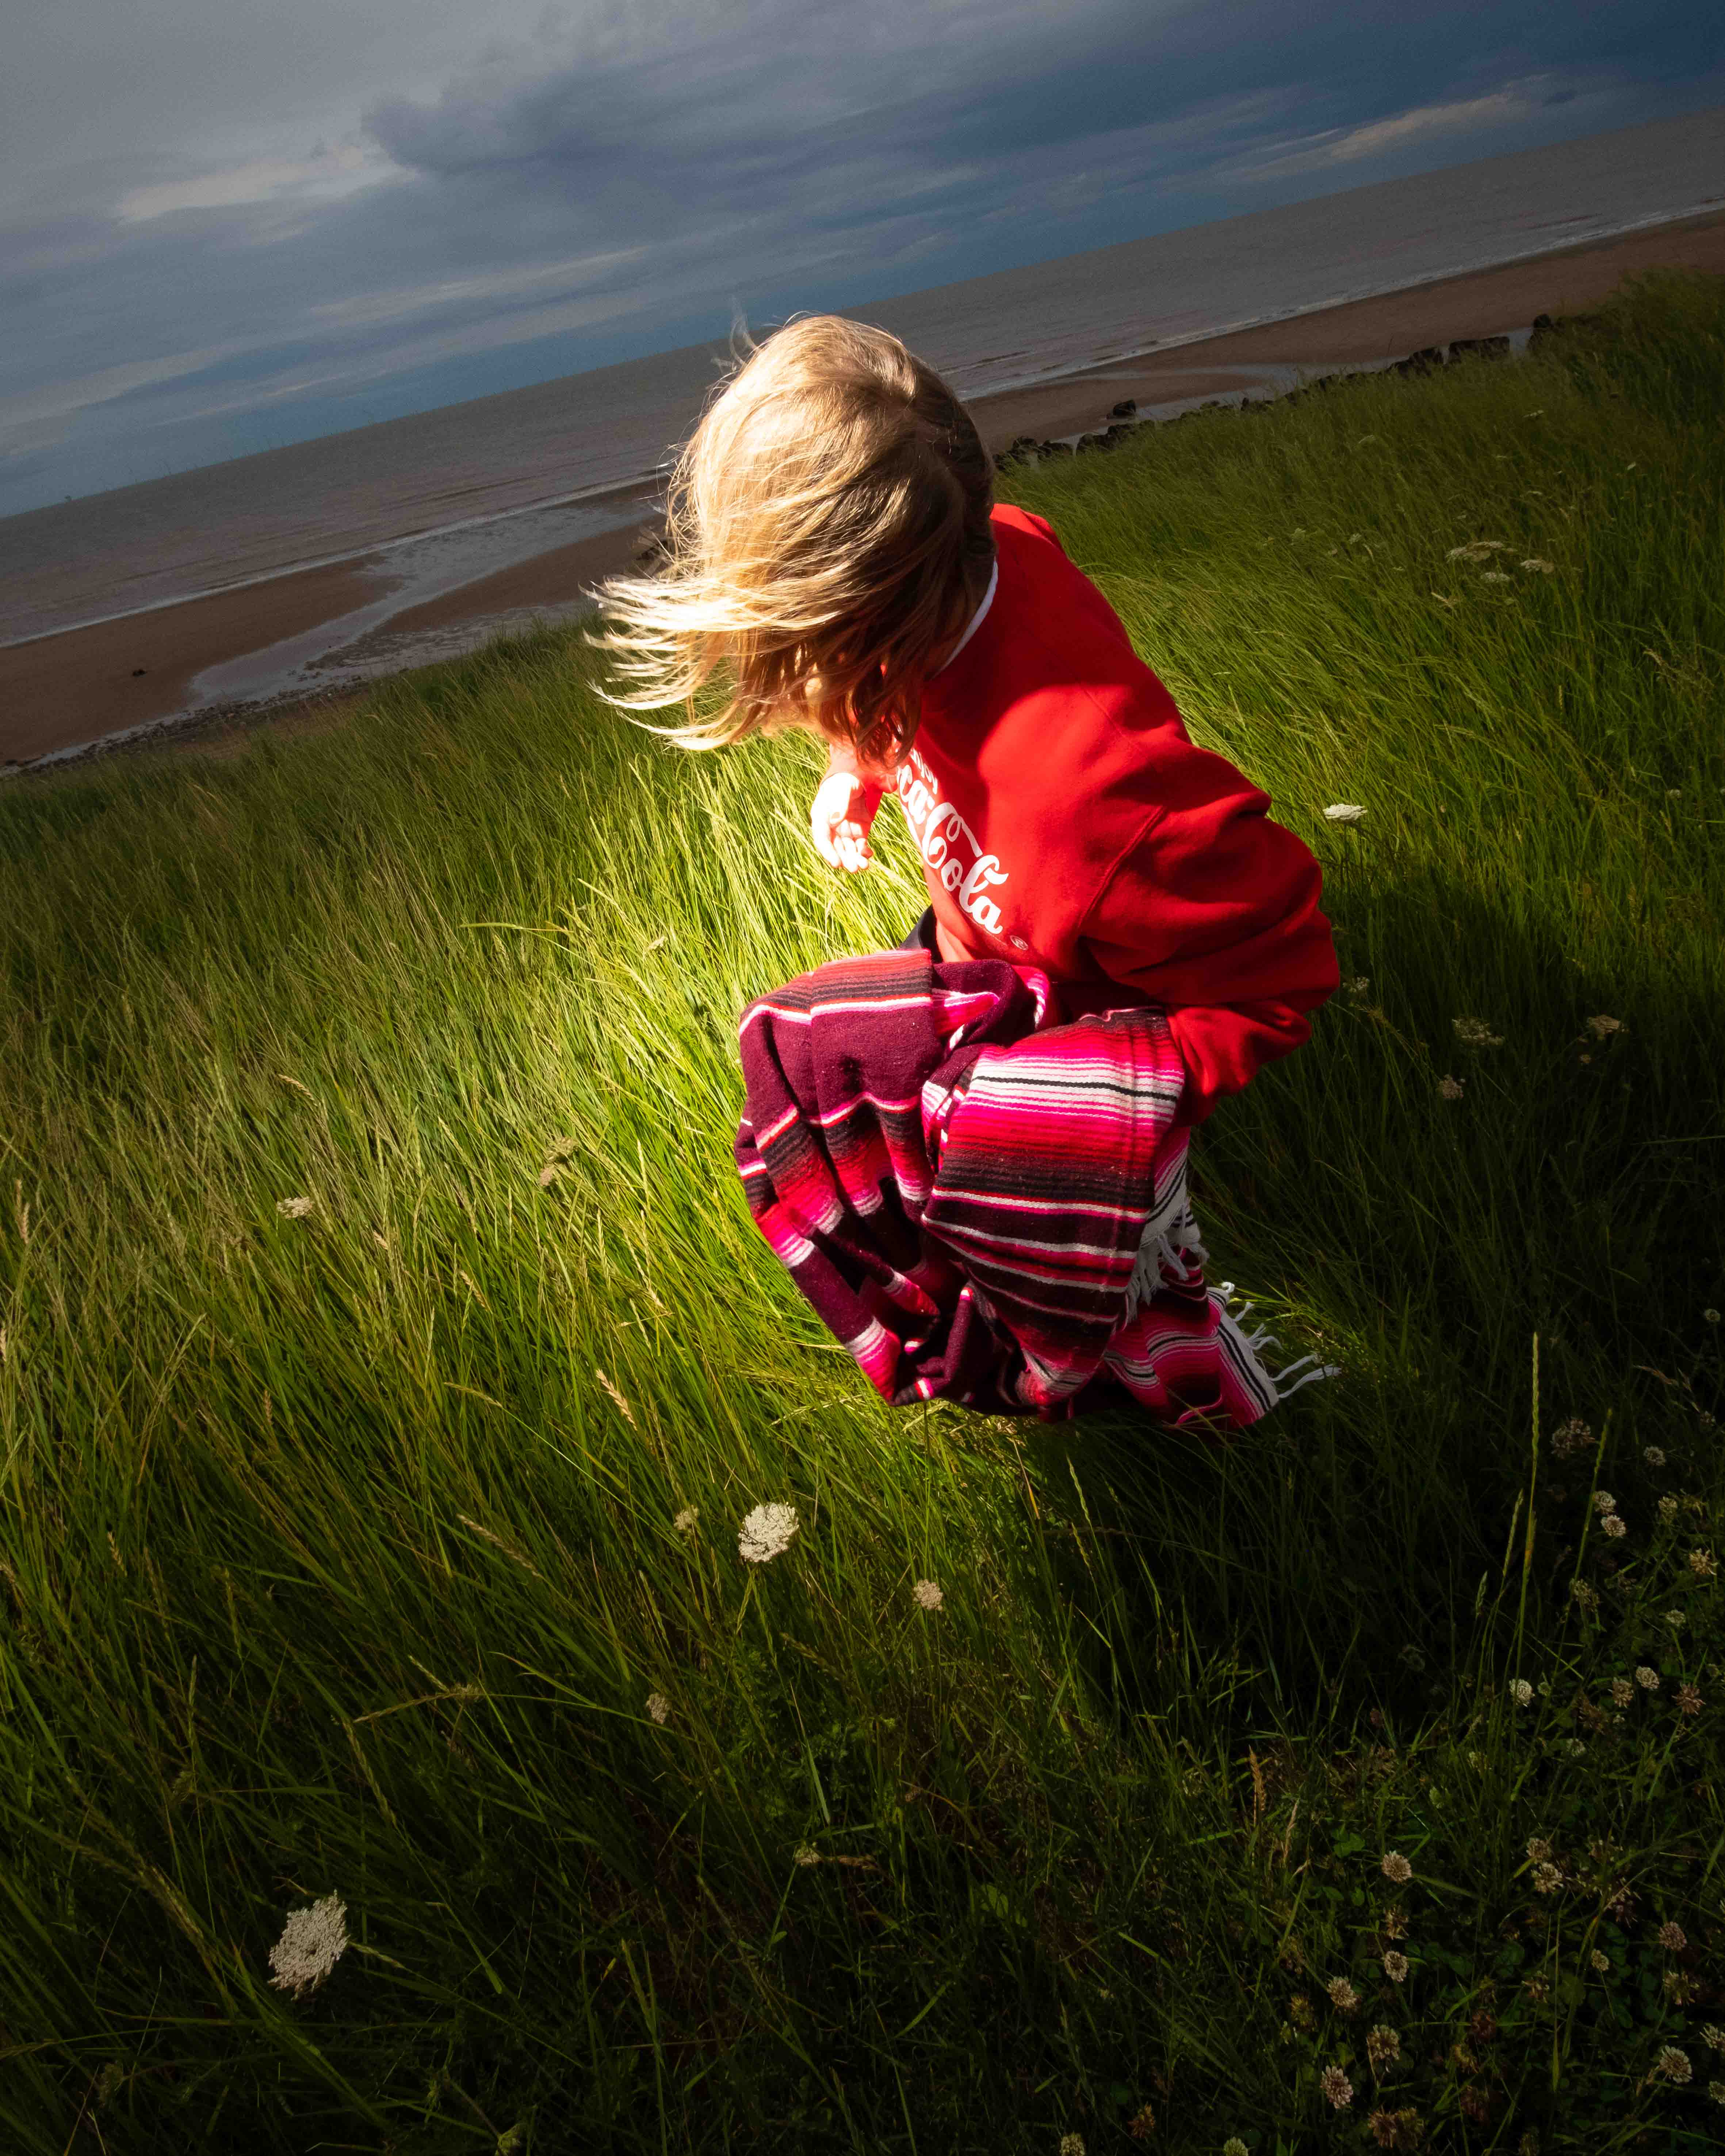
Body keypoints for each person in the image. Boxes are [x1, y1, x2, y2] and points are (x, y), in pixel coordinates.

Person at [591, 313, 1338, 1132]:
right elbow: (886, 676)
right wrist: (854, 764)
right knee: (800, 1065)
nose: (809, 683)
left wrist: (1096, 1108)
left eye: (811, 650)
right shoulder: (980, 546)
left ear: (876, 630)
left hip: (1073, 1054)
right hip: (984, 955)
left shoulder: (1103, 804)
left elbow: (1281, 977)